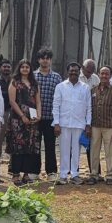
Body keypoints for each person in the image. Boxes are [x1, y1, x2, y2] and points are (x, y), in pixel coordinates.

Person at [53, 63, 92, 185]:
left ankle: (75, 174)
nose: (73, 73)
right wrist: (56, 123)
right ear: (67, 72)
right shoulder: (60, 87)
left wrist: (88, 124)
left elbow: (89, 107)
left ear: (79, 72)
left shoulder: (85, 88)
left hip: (79, 124)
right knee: (64, 150)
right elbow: (56, 106)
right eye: (71, 71)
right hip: (63, 123)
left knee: (76, 151)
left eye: (76, 71)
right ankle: (63, 175)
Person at [7, 59, 42, 185]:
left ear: (30, 69)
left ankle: (26, 174)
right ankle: (16, 175)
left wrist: (39, 115)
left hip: (32, 119)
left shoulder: (34, 83)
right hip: (18, 119)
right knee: (17, 146)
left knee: (29, 146)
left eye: (27, 67)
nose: (25, 69)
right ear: (19, 68)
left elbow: (38, 101)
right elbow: (12, 101)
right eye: (23, 67)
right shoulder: (14, 82)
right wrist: (22, 116)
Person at [88, 66, 112, 184]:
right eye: (102, 73)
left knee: (110, 152)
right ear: (98, 74)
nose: (104, 76)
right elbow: (89, 108)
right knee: (94, 151)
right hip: (95, 125)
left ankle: (110, 176)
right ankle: (94, 174)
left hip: (109, 126)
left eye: (106, 74)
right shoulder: (93, 90)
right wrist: (88, 125)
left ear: (110, 76)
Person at [34, 48, 62, 178]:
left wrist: (58, 120)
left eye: (47, 58)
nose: (45, 60)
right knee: (35, 145)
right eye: (42, 58)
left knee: (50, 146)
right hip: (36, 118)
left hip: (51, 118)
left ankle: (51, 172)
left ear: (50, 60)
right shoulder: (33, 76)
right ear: (38, 60)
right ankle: (34, 171)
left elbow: (60, 99)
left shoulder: (57, 77)